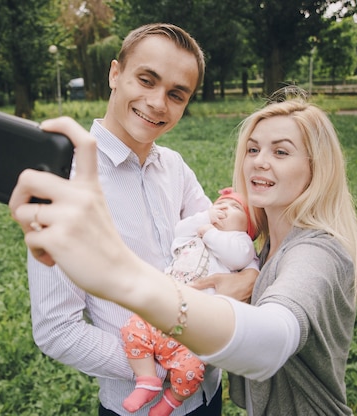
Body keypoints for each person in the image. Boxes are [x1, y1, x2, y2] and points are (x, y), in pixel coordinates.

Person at [9, 93, 357, 415]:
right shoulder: (269, 245)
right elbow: (57, 329)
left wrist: (126, 278)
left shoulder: (316, 253)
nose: (259, 161)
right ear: (115, 75)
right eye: (252, 148)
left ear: (317, 168)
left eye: (281, 151)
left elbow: (274, 340)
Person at [24, 23, 258, 416]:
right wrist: (160, 366)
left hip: (208, 391)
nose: (157, 103)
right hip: (137, 406)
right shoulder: (65, 182)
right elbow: (56, 328)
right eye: (146, 80)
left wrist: (249, 276)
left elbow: (221, 243)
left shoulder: (175, 167)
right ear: (116, 74)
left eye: (176, 94)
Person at [121, 188, 259, 415]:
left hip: (195, 327)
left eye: (235, 207)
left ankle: (172, 399)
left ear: (248, 227)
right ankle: (146, 380)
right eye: (221, 203)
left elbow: (238, 256)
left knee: (192, 368)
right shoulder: (195, 233)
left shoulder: (239, 242)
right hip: (163, 310)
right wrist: (205, 220)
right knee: (133, 328)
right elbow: (181, 229)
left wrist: (210, 234)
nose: (224, 207)